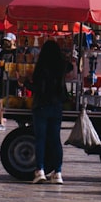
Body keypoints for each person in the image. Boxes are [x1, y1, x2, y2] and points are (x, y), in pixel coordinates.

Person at [30, 39, 69, 184]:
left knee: (40, 139)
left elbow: (38, 87)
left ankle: (40, 170)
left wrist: (24, 83)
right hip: (56, 105)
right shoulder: (61, 66)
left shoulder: (41, 67)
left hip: (41, 105)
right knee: (55, 140)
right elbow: (70, 66)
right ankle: (58, 172)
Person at [0, 33, 19, 132]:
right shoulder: (1, 52)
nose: (6, 42)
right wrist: (1, 65)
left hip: (13, 79)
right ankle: (1, 122)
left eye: (8, 41)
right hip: (3, 78)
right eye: (5, 41)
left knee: (15, 101)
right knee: (0, 100)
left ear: (13, 41)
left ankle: (20, 122)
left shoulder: (16, 52)